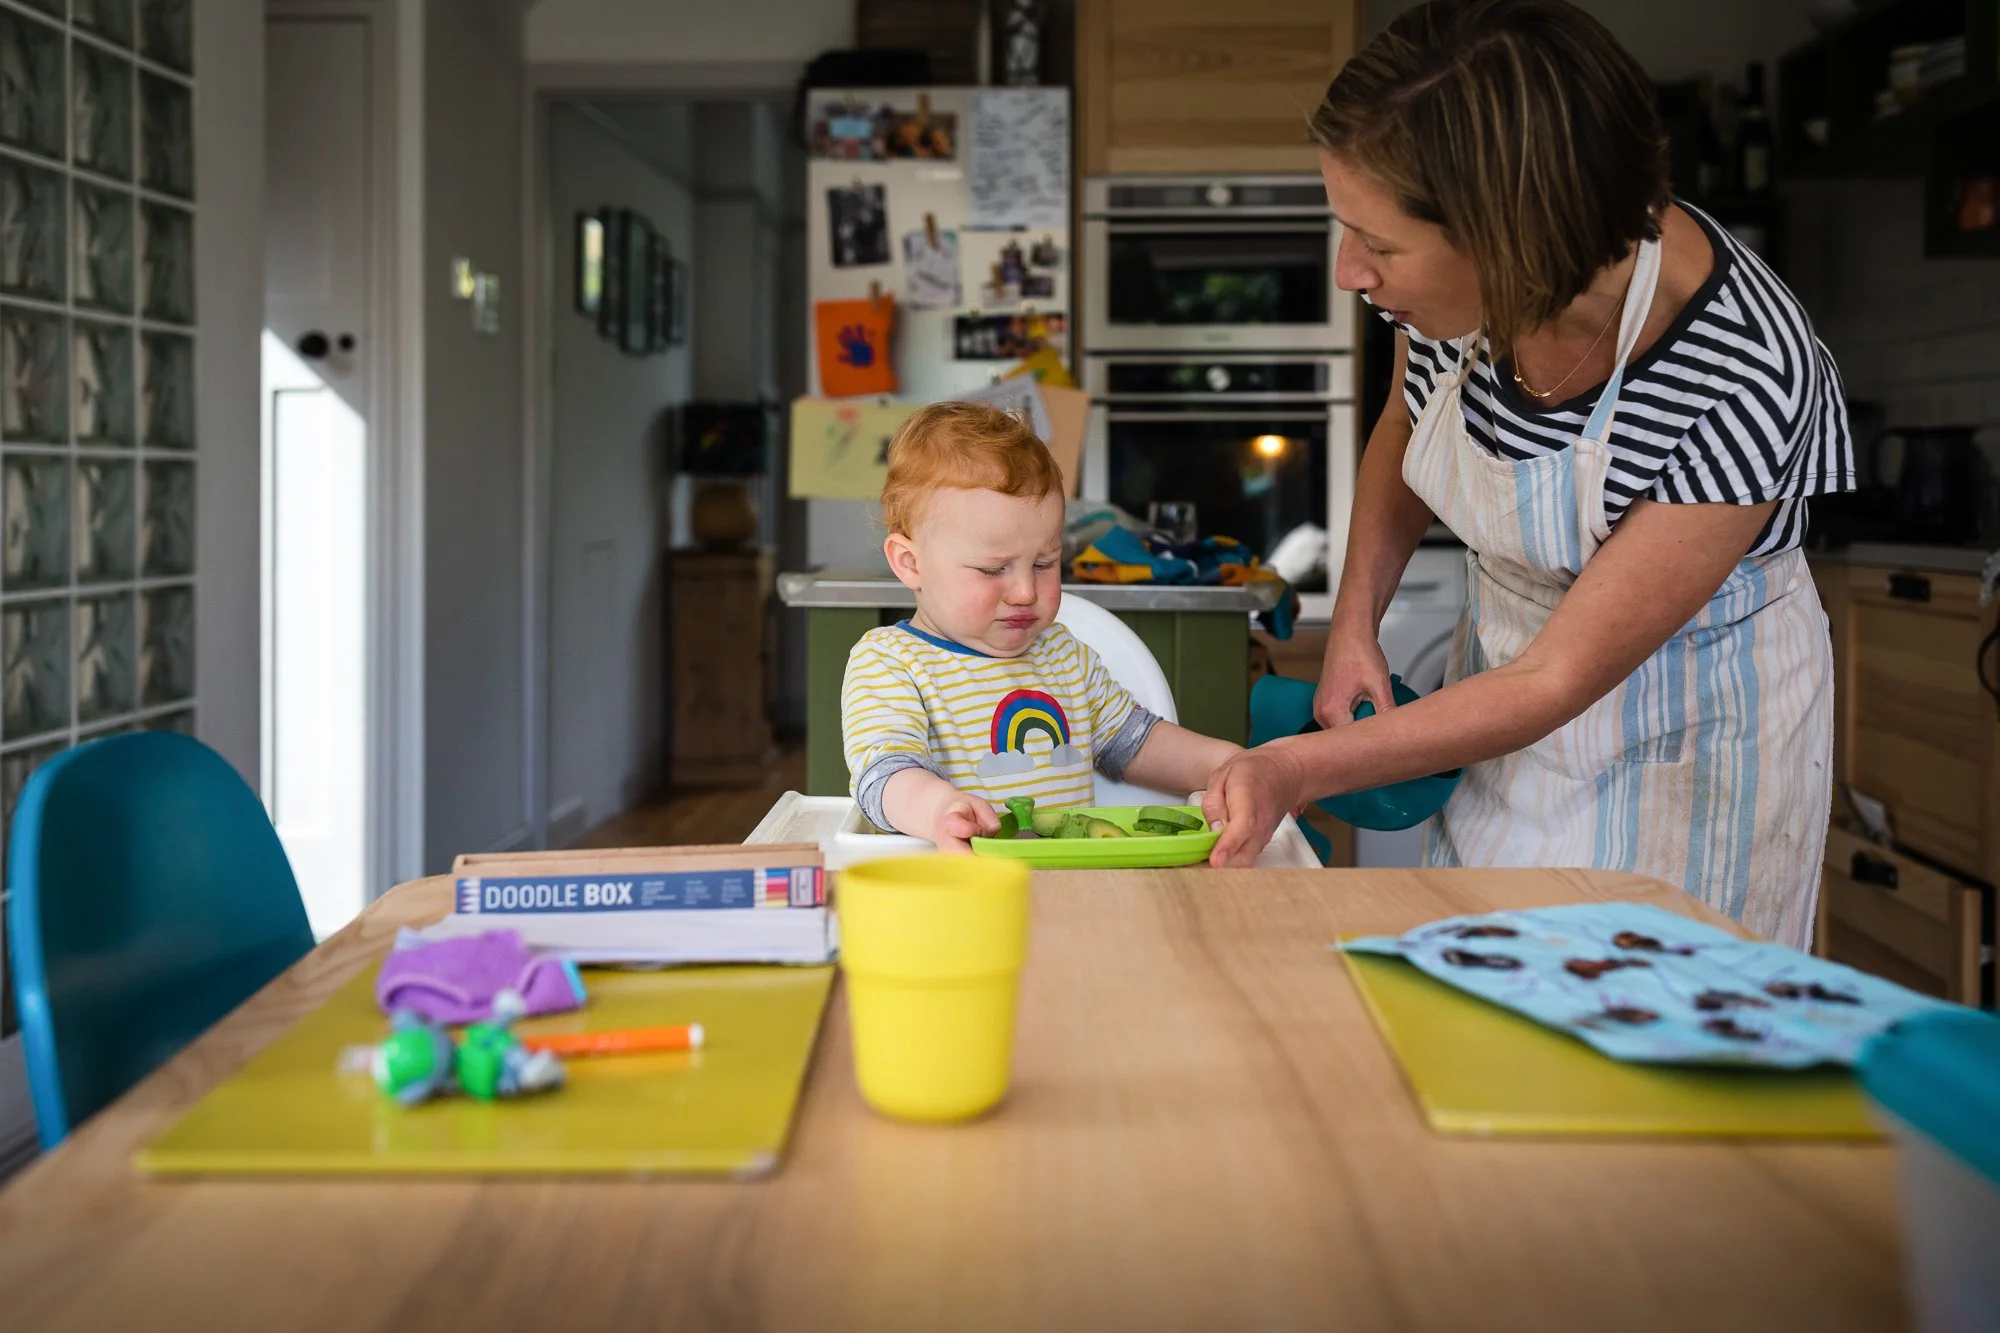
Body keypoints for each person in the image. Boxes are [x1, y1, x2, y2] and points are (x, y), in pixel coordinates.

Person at [1203, 0, 1851, 951]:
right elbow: (1405, 421)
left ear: (1511, 238)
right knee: (1484, 978)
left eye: (1377, 245)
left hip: (1688, 739)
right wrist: (1353, 627)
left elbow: (1559, 675)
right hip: (1501, 697)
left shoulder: (1743, 373)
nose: (1349, 272)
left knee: (1649, 1036)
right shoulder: (1450, 293)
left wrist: (1305, 769)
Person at [843, 402, 1243, 849]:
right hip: (959, 891)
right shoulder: (890, 663)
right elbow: (885, 774)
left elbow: (1137, 744)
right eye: (993, 570)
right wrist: (937, 809)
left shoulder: (1064, 656)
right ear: (911, 563)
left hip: (1075, 891)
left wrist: (1233, 764)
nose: (1024, 592)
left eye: (1043, 563)